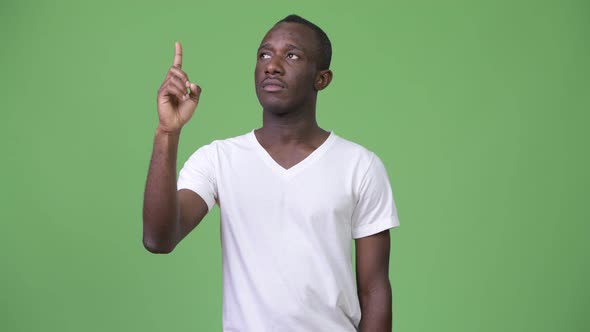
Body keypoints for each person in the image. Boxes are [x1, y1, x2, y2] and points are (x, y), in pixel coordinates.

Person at [143, 14, 400, 331]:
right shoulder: (219, 159)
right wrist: (167, 133)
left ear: (322, 79)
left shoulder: (359, 166)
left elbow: (374, 291)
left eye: (291, 55)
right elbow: (159, 238)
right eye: (264, 54)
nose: (272, 65)